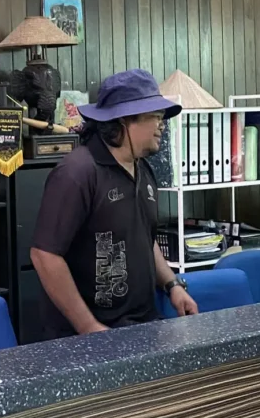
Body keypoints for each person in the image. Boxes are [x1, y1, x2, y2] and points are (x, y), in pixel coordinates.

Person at [30, 69, 198, 340]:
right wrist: (89, 328)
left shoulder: (144, 169)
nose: (161, 125)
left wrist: (172, 285)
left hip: (143, 326)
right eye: (154, 117)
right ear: (124, 121)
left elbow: (143, 236)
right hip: (84, 339)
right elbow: (45, 255)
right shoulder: (77, 172)